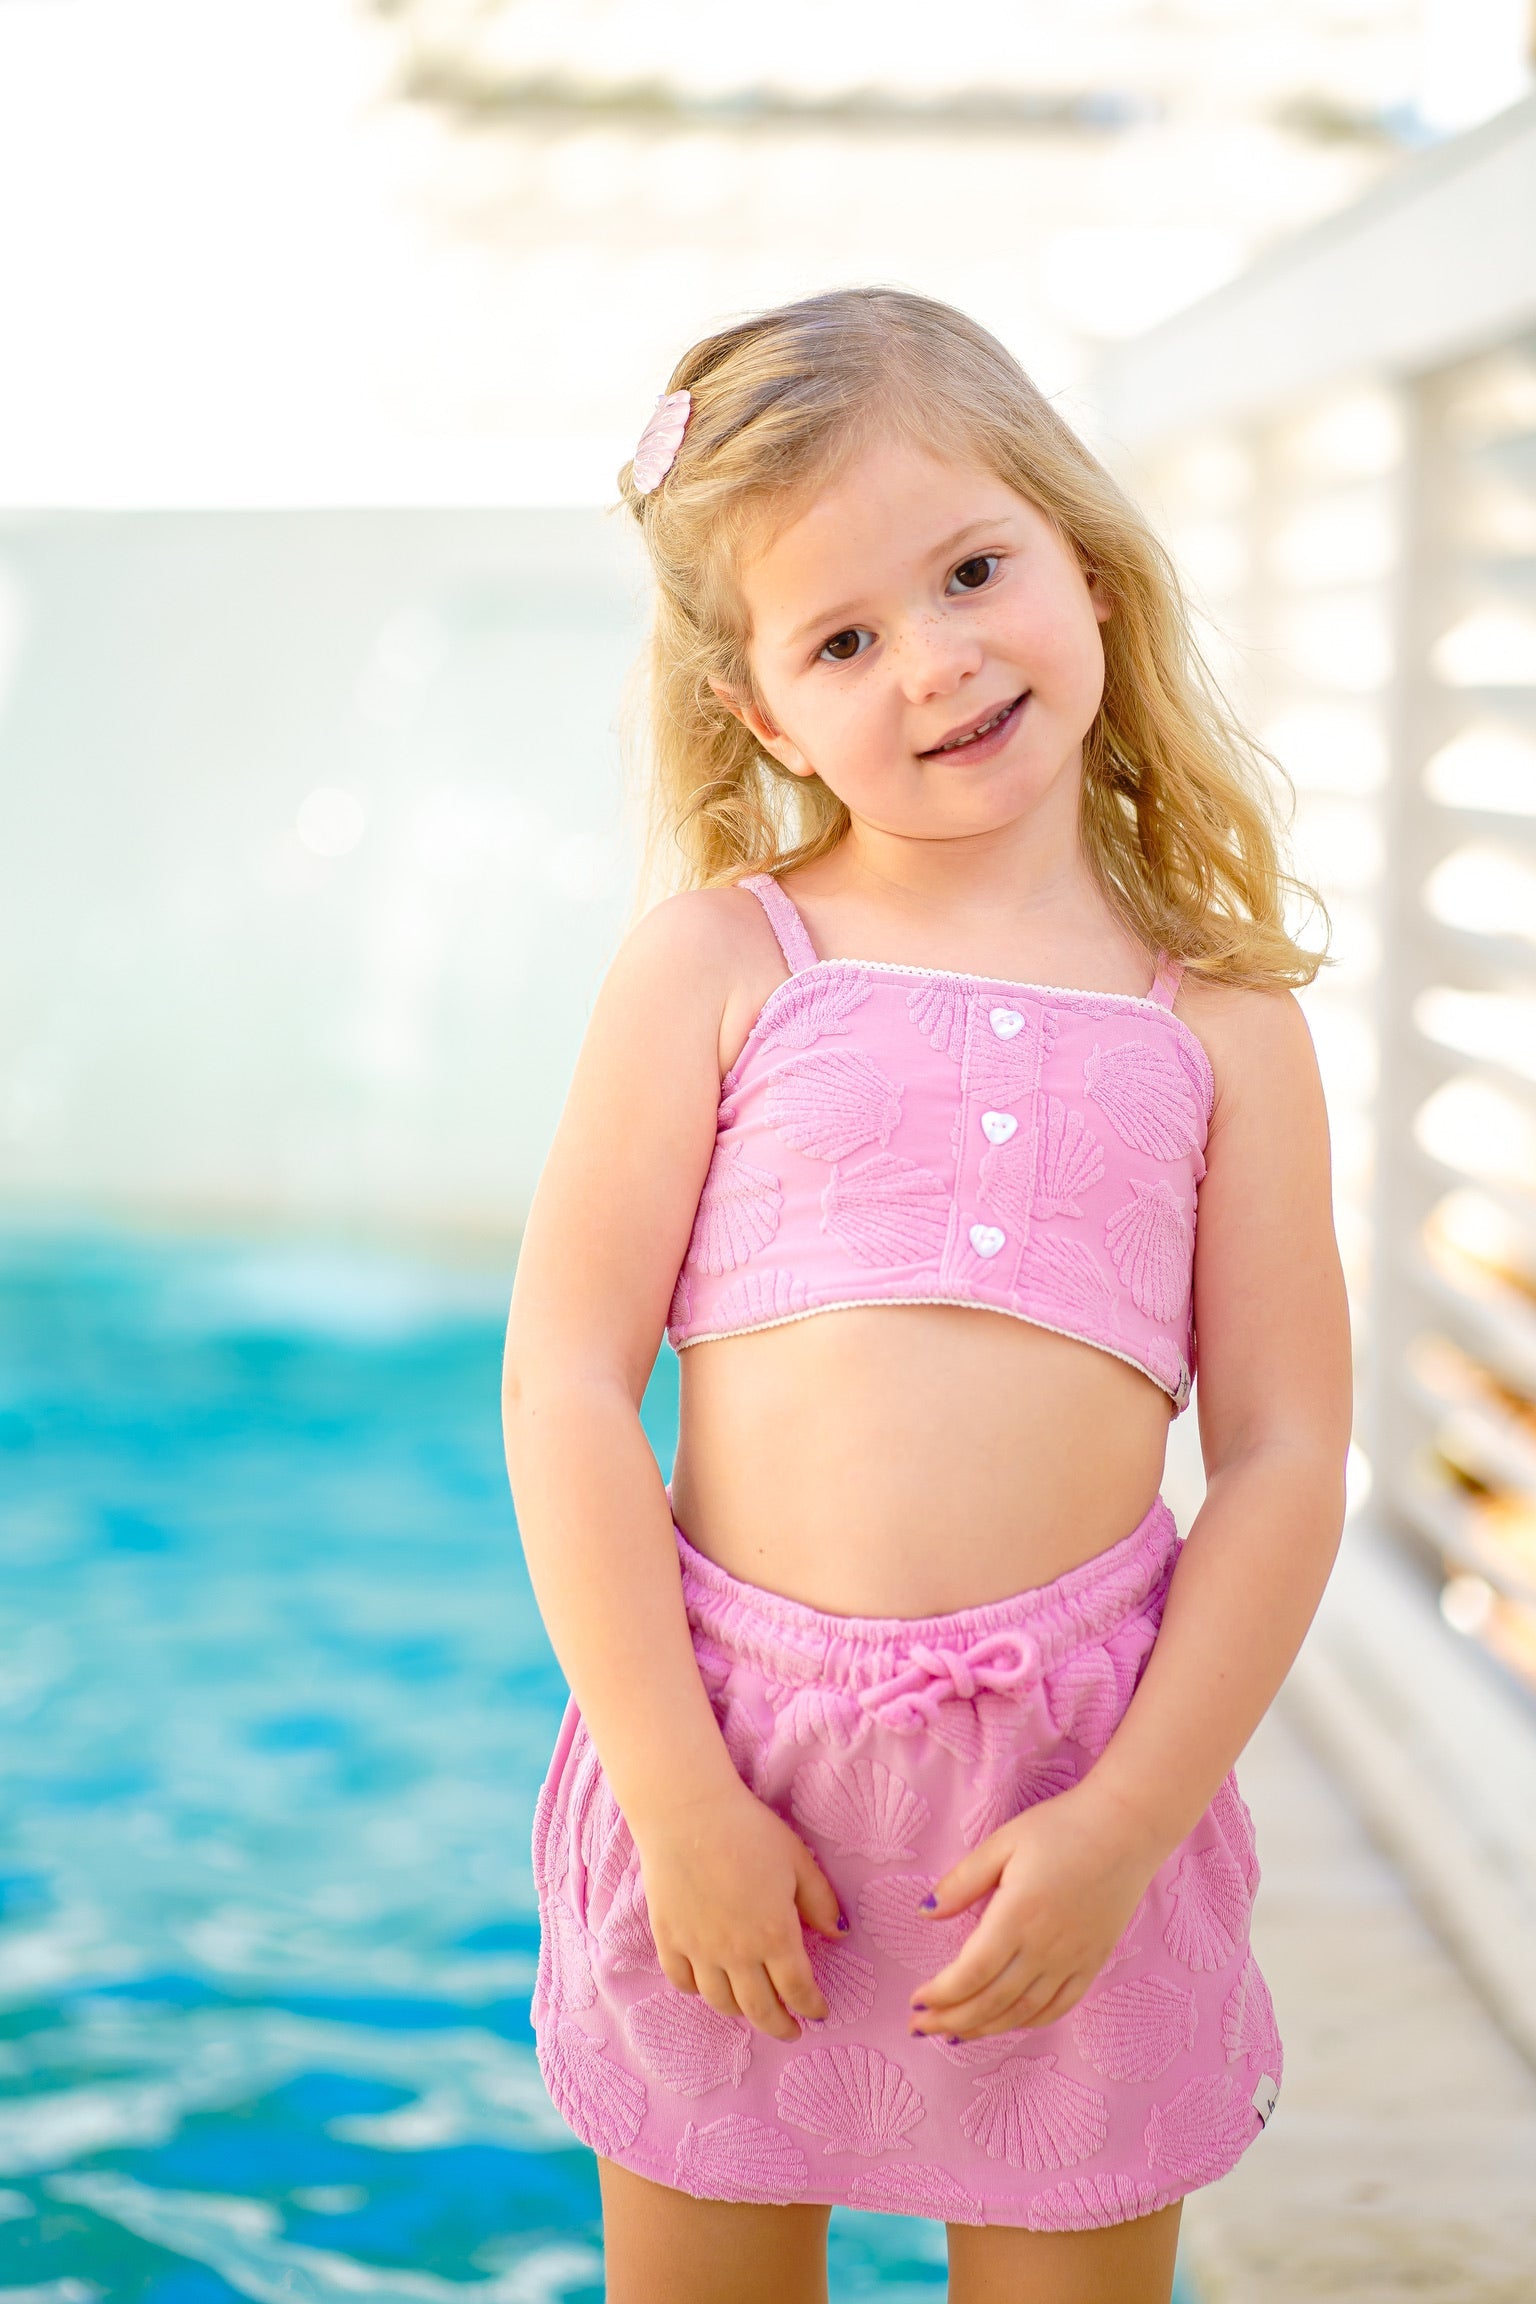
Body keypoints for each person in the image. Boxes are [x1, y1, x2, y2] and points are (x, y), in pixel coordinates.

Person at [502, 287, 1352, 2304]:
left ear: (1086, 556)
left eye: (976, 569)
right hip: (732, 1777)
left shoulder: (1216, 1014)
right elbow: (559, 1381)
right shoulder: (723, 967)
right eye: (845, 639)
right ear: (762, 712)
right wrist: (675, 1790)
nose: (941, 661)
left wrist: (1131, 1820)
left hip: (1070, 1798)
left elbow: (1291, 1449)